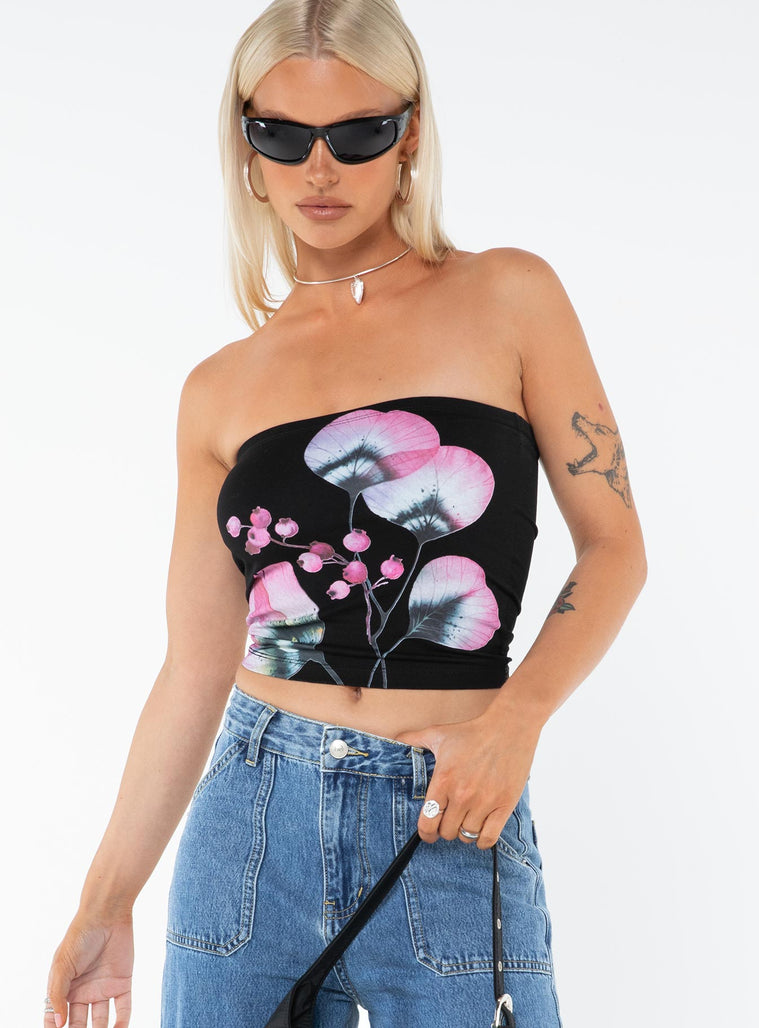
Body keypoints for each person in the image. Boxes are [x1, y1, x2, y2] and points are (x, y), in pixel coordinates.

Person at [43, 1, 647, 1026]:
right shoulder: (220, 387)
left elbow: (616, 544)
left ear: (409, 136)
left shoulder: (509, 297)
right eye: (282, 135)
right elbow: (192, 669)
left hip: (450, 812)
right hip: (250, 824)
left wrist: (515, 722)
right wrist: (104, 902)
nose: (319, 169)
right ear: (247, 149)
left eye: (357, 133)